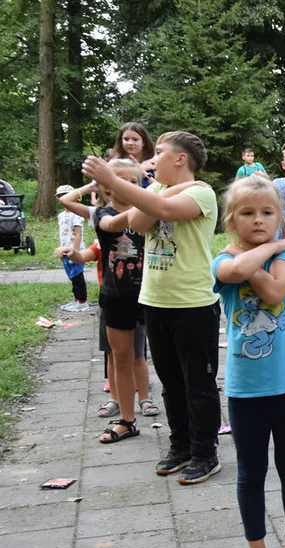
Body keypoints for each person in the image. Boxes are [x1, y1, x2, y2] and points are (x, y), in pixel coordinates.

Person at [83, 131, 223, 485]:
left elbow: (160, 211)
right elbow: (140, 221)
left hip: (193, 303)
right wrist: (153, 190)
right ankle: (181, 447)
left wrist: (113, 180)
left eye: (158, 153)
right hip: (155, 301)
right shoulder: (156, 190)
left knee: (199, 383)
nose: (151, 159)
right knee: (171, 382)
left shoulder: (202, 193)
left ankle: (205, 453)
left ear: (180, 159)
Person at [212, 175, 285, 548]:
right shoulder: (226, 259)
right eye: (247, 213)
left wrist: (265, 252)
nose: (258, 220)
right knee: (250, 474)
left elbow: (274, 294)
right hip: (245, 389)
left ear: (281, 217)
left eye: (267, 213)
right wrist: (269, 246)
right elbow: (233, 269)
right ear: (231, 219)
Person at [57, 161, 157, 443]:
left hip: (153, 295)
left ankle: (171, 416)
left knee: (160, 356)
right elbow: (111, 225)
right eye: (119, 181)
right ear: (108, 188)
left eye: (134, 183)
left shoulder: (154, 210)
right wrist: (148, 202)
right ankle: (127, 420)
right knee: (121, 358)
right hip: (116, 297)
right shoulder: (103, 213)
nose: (128, 187)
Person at [54, 185, 88, 312]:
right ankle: (76, 299)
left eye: (64, 196)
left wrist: (74, 252)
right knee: (71, 276)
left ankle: (82, 301)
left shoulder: (76, 214)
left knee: (77, 275)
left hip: (75, 252)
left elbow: (78, 234)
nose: (62, 199)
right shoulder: (61, 215)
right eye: (59, 197)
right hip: (65, 252)